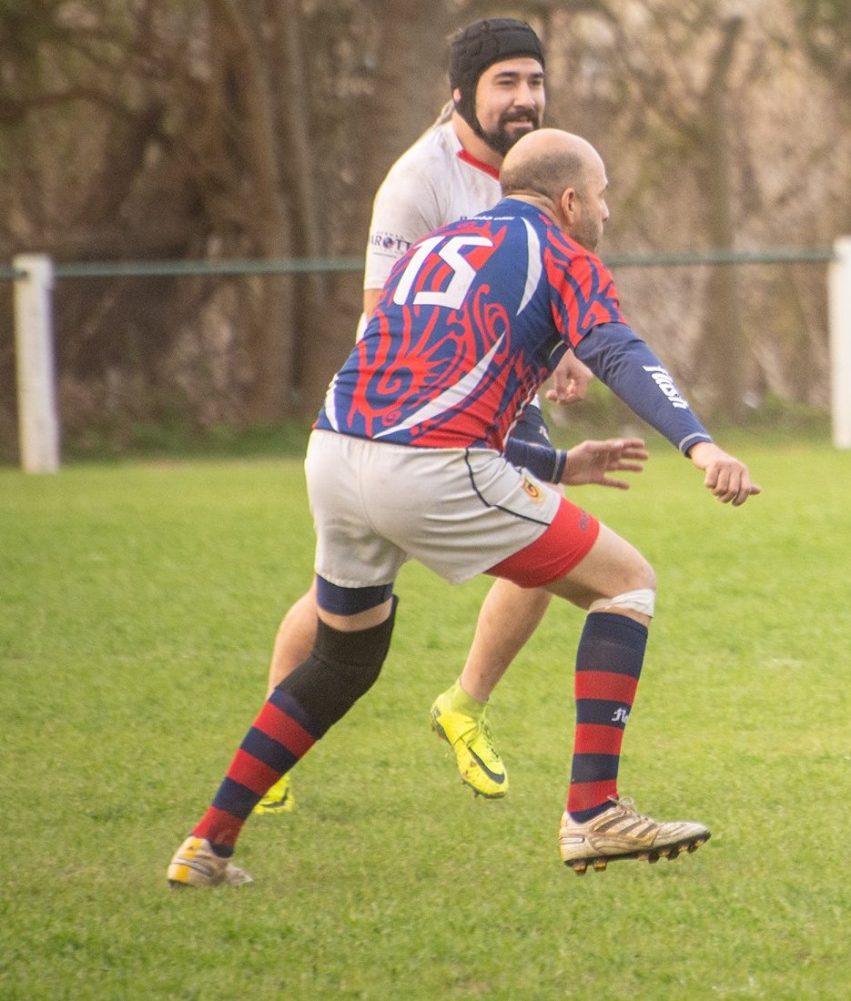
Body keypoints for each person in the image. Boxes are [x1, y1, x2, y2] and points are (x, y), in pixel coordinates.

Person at [167, 130, 761, 886]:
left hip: (335, 453)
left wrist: (555, 463)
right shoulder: (562, 251)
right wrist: (700, 445)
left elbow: (430, 384)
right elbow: (616, 349)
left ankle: (207, 843)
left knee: (343, 656)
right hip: (429, 468)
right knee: (626, 582)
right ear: (570, 200)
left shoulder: (438, 244)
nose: (606, 212)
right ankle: (593, 812)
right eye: (603, 196)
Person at [256, 17, 603, 814]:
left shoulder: (540, 167)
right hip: (407, 414)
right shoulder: (418, 183)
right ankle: (270, 750)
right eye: (506, 83)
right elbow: (377, 321)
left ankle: (464, 704)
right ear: (460, 93)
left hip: (494, 399)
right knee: (344, 598)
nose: (526, 99)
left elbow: (553, 274)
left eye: (535, 81)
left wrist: (565, 352)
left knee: (551, 543)